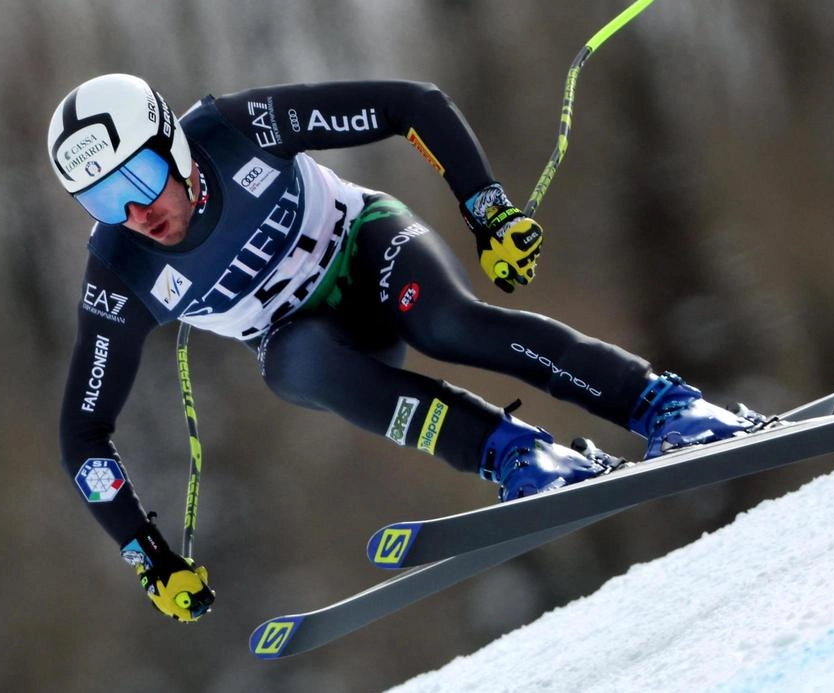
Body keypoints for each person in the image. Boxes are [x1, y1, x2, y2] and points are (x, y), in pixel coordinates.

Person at [48, 74, 762, 623]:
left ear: (172, 142)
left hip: (367, 247)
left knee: (446, 326)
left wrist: (487, 209)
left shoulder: (236, 128)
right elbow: (83, 433)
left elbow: (410, 104)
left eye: (137, 179)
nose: (137, 214)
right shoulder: (121, 270)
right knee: (294, 368)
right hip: (316, 337)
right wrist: (148, 556)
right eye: (104, 201)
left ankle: (666, 405)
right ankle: (517, 454)